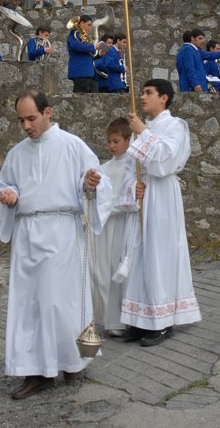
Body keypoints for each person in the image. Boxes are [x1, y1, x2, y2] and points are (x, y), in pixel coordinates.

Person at [0, 89, 111, 400]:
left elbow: (95, 179)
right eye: (21, 120)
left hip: (61, 233)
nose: (26, 126)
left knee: (60, 301)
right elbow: (5, 186)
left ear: (48, 113)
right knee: (30, 305)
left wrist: (89, 184)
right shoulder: (17, 153)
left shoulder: (72, 145)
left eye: (31, 118)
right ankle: (36, 372)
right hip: (28, 234)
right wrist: (9, 196)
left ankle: (72, 361)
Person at [120, 79, 201, 346]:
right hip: (146, 195)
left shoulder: (175, 126)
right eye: (142, 93)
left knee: (160, 254)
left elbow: (166, 160)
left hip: (163, 196)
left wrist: (142, 131)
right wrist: (133, 187)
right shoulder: (142, 129)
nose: (142, 98)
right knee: (140, 255)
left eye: (148, 93)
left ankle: (162, 321)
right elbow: (130, 167)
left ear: (164, 98)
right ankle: (140, 318)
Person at [95, 117, 138, 338]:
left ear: (128, 140)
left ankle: (127, 317)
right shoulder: (103, 169)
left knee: (124, 268)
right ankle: (110, 319)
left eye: (116, 141)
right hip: (106, 225)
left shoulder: (135, 165)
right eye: (109, 141)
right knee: (104, 271)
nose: (112, 146)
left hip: (123, 223)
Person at [67, 15, 100, 93]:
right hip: (81, 71)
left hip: (89, 72)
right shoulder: (74, 33)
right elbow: (74, 46)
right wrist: (93, 46)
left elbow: (93, 53)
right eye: (88, 25)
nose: (90, 27)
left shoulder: (84, 36)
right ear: (81, 23)